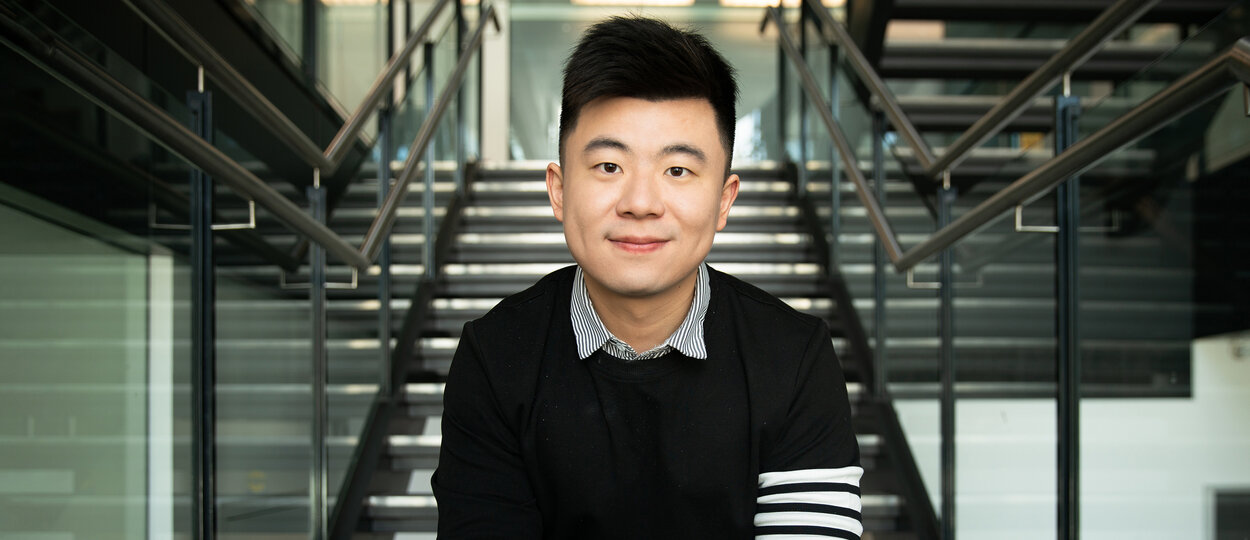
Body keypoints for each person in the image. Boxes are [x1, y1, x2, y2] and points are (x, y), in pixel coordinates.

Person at [432, 16, 862, 539]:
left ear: (724, 200)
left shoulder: (795, 358)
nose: (640, 203)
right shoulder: (495, 357)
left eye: (677, 170)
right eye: (609, 166)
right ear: (559, 189)